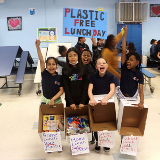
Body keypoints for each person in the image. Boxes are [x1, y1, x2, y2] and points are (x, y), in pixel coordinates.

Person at [88, 58, 115, 152]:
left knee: (107, 122)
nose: (101, 64)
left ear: (106, 66)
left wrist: (106, 98)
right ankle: (98, 141)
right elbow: (90, 89)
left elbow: (112, 90)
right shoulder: (92, 76)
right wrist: (91, 99)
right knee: (96, 122)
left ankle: (106, 142)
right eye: (99, 63)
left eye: (103, 63)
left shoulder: (111, 76)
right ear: (96, 67)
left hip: (107, 101)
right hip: (96, 102)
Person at [116, 25, 144, 108]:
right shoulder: (124, 67)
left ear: (137, 62)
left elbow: (141, 90)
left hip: (133, 98)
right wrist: (124, 34)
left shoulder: (139, 74)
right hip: (122, 97)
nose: (128, 61)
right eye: (128, 59)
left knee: (130, 117)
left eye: (131, 60)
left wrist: (141, 102)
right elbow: (124, 50)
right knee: (121, 117)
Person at [35, 39, 64, 106]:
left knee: (58, 116)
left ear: (56, 66)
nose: (51, 66)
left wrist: (53, 99)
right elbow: (41, 60)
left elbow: (61, 91)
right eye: (49, 64)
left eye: (53, 64)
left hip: (56, 100)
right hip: (45, 100)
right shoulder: (44, 73)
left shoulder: (59, 77)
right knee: (44, 116)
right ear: (46, 66)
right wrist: (38, 47)